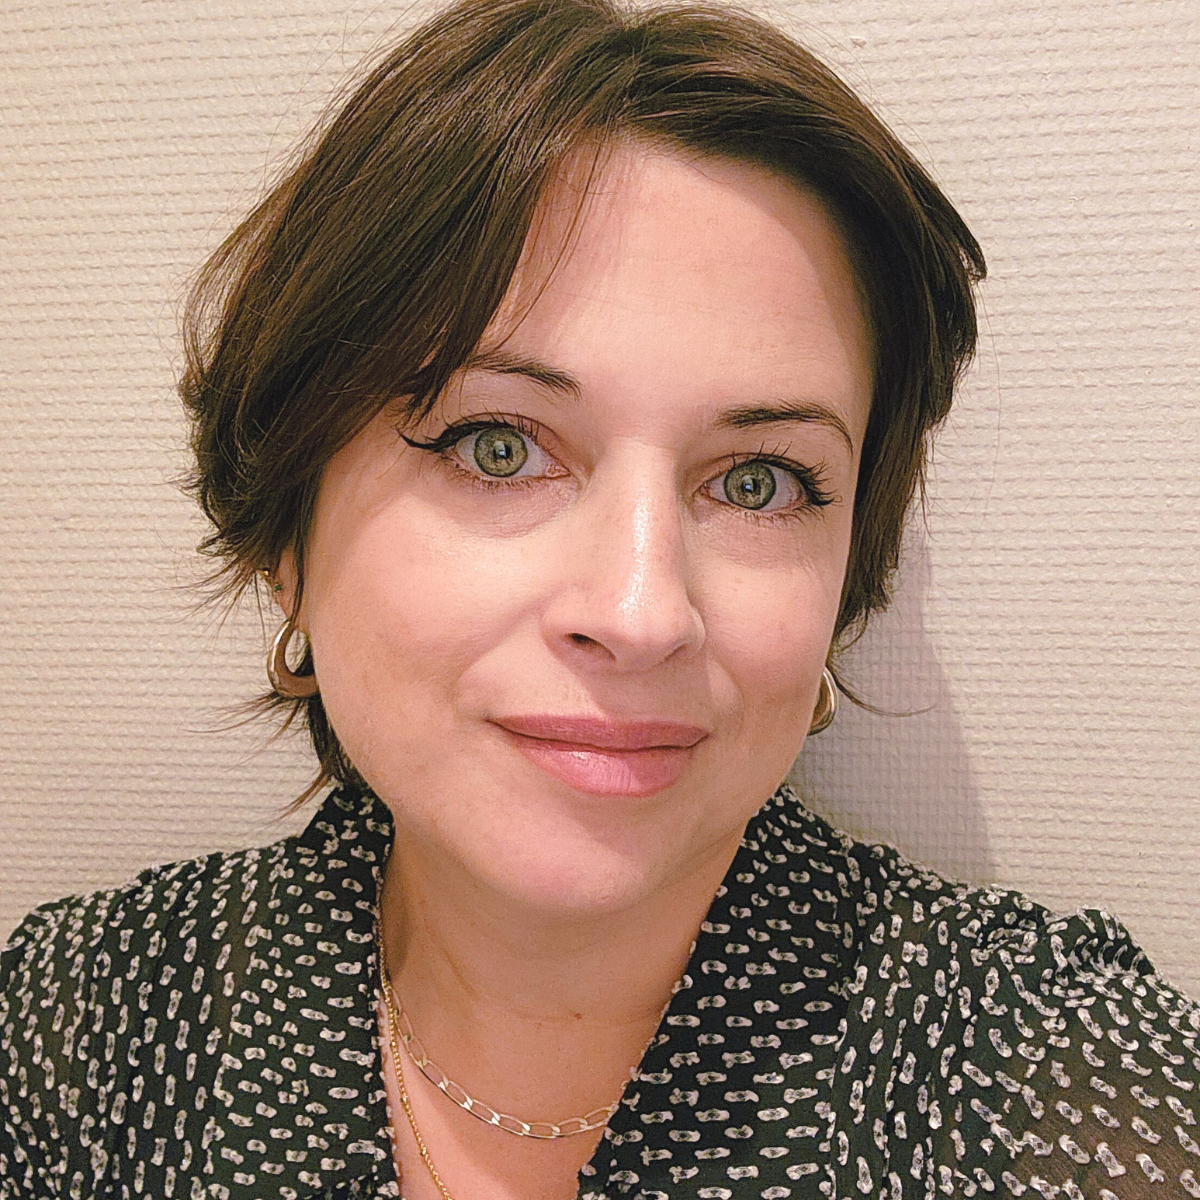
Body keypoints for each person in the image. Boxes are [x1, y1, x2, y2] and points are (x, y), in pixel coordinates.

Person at [1, 0, 1197, 1196]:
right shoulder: (78, 1036)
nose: (640, 612)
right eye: (498, 447)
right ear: (289, 540)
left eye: (758, 480)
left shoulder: (1046, 1080)